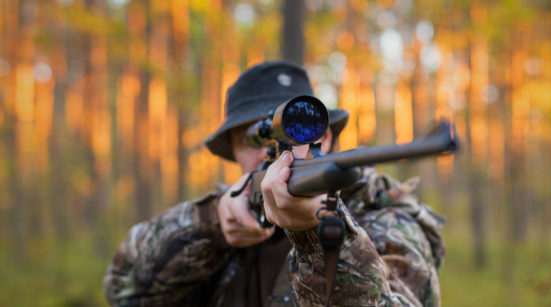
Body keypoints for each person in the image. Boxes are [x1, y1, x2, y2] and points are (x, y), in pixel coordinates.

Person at [103, 61, 445, 306]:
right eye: (252, 140)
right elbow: (122, 289)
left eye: (293, 132)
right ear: (234, 151)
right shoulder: (225, 213)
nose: (271, 152)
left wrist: (317, 235)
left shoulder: (384, 213)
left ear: (322, 136)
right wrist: (212, 224)